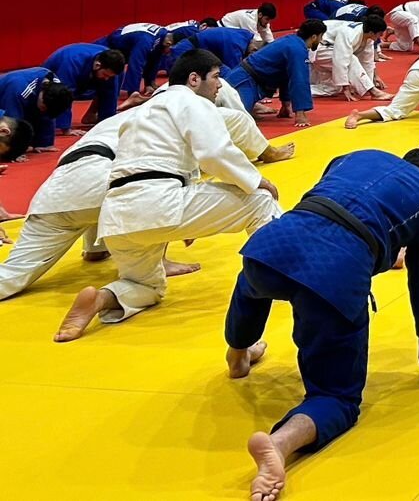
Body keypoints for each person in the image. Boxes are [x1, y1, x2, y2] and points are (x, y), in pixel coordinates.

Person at [225, 148, 419, 501]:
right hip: (335, 272)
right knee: (336, 396)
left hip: (273, 244)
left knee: (250, 284)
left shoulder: (357, 156)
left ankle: (238, 352)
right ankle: (279, 444)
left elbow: (332, 199)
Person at [53, 50, 283, 342]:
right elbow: (214, 153)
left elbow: (167, 161)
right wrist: (256, 180)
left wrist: (189, 212)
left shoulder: (142, 112)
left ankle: (101, 299)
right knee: (259, 201)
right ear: (194, 79)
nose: (219, 85)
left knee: (146, 286)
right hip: (159, 202)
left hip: (116, 219)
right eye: (216, 77)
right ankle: (284, 271)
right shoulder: (192, 101)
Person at [0, 101, 288, 300]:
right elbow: (233, 126)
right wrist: (263, 158)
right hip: (110, 183)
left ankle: (95, 249)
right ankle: (159, 260)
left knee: (11, 275)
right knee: (151, 190)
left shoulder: (124, 119)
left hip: (54, 194)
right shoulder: (183, 110)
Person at [224, 20, 323, 128]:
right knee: (234, 118)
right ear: (314, 37)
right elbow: (299, 80)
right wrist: (300, 113)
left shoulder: (293, 42)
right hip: (243, 80)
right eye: (321, 37)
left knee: (238, 115)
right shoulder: (297, 49)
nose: (321, 40)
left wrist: (286, 105)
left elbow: (287, 74)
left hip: (250, 80)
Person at [41, 44, 126, 135]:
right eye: (105, 75)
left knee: (112, 82)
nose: (106, 78)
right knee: (59, 95)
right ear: (97, 65)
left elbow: (110, 94)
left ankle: (95, 116)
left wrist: (107, 122)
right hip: (53, 74)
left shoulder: (109, 61)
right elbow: (64, 92)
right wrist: (66, 129)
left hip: (85, 70)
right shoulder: (71, 63)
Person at [310, 14, 391, 101]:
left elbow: (367, 62)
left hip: (329, 48)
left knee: (333, 88)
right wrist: (346, 87)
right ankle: (374, 92)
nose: (381, 36)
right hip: (317, 46)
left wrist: (370, 81)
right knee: (351, 59)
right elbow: (340, 59)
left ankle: (302, 91)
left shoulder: (368, 36)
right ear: (371, 32)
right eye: (380, 33)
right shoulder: (349, 33)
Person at [0, 67, 72, 156]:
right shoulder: (19, 89)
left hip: (24, 93)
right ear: (42, 94)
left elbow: (50, 113)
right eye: (43, 106)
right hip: (7, 98)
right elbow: (11, 119)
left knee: (44, 111)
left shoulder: (57, 87)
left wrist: (44, 143)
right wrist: (15, 151)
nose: (43, 110)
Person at [171, 25, 256, 70]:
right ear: (254, 49)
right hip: (187, 49)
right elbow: (233, 73)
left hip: (193, 48)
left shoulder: (245, 34)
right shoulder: (236, 45)